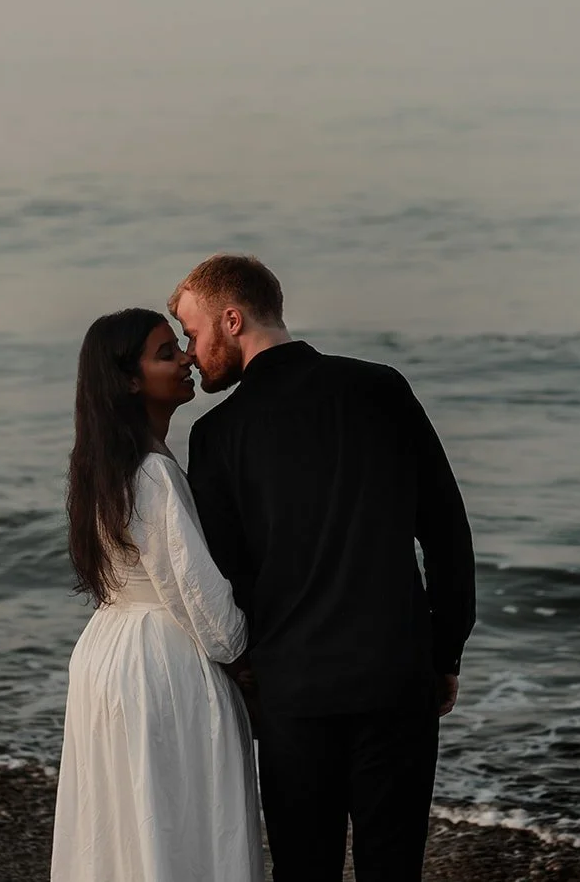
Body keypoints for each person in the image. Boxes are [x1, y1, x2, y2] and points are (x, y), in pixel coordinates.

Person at [171, 255, 476, 882]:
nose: (191, 353)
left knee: (304, 870)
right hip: (396, 675)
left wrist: (254, 679)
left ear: (232, 320)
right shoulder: (380, 388)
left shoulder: (219, 434)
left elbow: (229, 579)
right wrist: (445, 651)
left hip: (296, 691)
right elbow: (445, 530)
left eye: (193, 332)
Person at [50, 308, 264, 882]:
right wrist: (247, 664)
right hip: (161, 662)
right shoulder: (152, 472)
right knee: (175, 820)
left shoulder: (100, 466)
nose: (188, 358)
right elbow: (198, 594)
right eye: (167, 354)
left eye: (180, 346)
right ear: (129, 379)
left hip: (108, 650)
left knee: (127, 823)